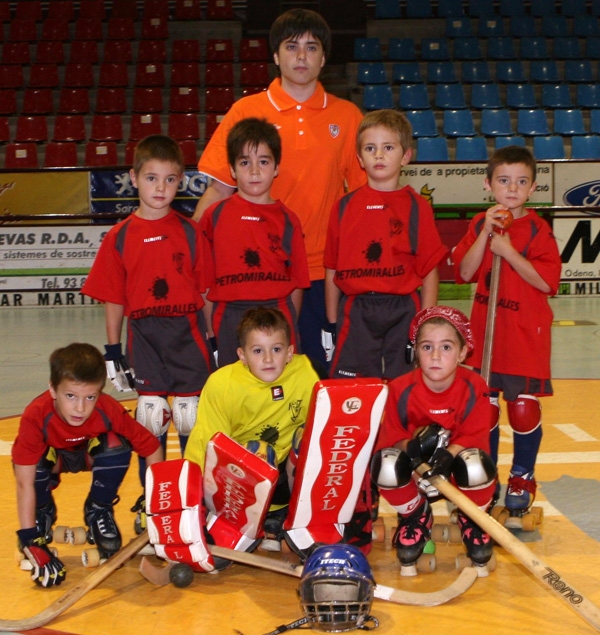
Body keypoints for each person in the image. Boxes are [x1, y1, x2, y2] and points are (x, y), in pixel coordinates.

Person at [192, 9, 366, 369]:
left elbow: (361, 202)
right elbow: (218, 191)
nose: (301, 56)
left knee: (315, 378)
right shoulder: (245, 111)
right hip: (254, 279)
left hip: (320, 275)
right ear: (275, 55)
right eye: (291, 46)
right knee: (248, 380)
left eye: (311, 47)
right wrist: (185, 254)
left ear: (323, 57)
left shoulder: (348, 117)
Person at [82, 135, 214, 524]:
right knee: (150, 419)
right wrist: (112, 353)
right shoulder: (119, 236)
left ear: (181, 182)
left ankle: (194, 498)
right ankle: (151, 497)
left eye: (170, 179)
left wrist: (213, 342)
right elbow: (113, 298)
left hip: (187, 335)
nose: (161, 188)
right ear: (133, 178)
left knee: (191, 418)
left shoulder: (191, 233)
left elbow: (205, 292)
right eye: (152, 178)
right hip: (144, 337)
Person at [452, 145, 561, 523]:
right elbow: (464, 272)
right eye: (503, 181)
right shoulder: (480, 225)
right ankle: (488, 477)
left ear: (532, 188)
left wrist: (510, 251)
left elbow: (548, 282)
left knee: (523, 407)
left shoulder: (538, 230)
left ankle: (522, 477)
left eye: (520, 182)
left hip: (523, 336)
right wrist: (485, 234)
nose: (511, 189)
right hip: (485, 336)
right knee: (485, 408)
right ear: (488, 184)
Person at [12, 343, 163, 587]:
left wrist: (152, 500)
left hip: (89, 454)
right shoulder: (36, 415)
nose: (80, 408)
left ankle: (98, 510)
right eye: (70, 396)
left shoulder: (107, 409)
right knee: (31, 461)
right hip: (54, 460)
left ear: (100, 393)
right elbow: (23, 482)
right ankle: (41, 514)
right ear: (53, 390)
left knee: (116, 443)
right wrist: (29, 538)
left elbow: (151, 448)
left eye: (90, 397)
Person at [184, 306, 322, 551]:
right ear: (242, 355)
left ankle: (301, 519)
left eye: (276, 349)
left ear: (290, 352)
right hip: (237, 485)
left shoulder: (305, 374)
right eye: (258, 351)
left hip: (284, 481)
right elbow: (205, 448)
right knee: (257, 450)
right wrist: (192, 506)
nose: (268, 359)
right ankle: (241, 524)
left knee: (310, 439)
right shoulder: (222, 384)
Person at [371, 306, 497, 574]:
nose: (436, 356)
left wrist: (447, 456)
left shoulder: (475, 386)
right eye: (427, 347)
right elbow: (393, 437)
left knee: (477, 464)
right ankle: (415, 516)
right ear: (414, 351)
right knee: (384, 462)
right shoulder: (399, 388)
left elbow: (474, 436)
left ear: (463, 352)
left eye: (447, 348)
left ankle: (471, 518)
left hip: (454, 471)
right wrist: (415, 456)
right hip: (417, 473)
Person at [324, 109, 448, 380]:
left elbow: (429, 272)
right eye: (370, 148)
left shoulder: (417, 207)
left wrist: (424, 323)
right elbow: (332, 271)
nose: (378, 155)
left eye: (388, 147)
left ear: (405, 156)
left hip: (403, 309)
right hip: (355, 310)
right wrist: (331, 323)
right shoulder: (343, 208)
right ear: (359, 158)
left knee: (404, 385)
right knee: (353, 390)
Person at [200, 117, 310, 367]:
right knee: (234, 395)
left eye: (263, 161)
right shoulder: (213, 217)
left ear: (276, 167)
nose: (254, 171)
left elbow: (297, 285)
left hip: (277, 313)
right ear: (232, 169)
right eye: (244, 162)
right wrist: (212, 332)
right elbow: (204, 284)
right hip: (229, 317)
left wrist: (287, 327)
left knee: (280, 394)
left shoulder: (288, 220)